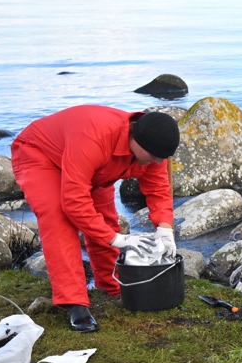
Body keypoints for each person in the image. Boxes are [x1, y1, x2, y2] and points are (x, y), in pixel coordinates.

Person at [11, 106, 179, 332]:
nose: (159, 164)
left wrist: (165, 228)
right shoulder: (94, 139)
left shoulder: (153, 147)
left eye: (163, 159)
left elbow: (159, 190)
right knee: (59, 218)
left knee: (105, 220)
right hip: (41, 154)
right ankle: (75, 303)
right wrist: (117, 240)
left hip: (92, 167)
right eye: (155, 158)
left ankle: (112, 285)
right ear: (136, 140)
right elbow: (74, 202)